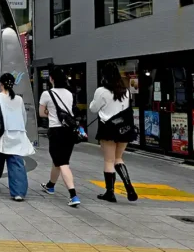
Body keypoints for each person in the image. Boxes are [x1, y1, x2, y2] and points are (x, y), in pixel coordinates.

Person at [0, 73, 35, 201]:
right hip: (17, 133)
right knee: (16, 163)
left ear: (1, 84)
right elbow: (23, 116)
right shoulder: (19, 99)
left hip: (2, 134)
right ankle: (18, 192)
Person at [91, 62, 138, 203]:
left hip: (108, 128)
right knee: (119, 158)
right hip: (124, 128)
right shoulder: (126, 91)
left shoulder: (102, 91)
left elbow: (93, 108)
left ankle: (110, 192)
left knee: (109, 160)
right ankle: (129, 186)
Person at [38, 67, 81, 207]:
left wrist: (49, 112)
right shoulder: (69, 93)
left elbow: (42, 114)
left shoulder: (46, 94)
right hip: (69, 131)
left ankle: (73, 195)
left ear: (52, 79)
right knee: (59, 160)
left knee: (62, 163)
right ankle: (50, 185)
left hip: (56, 131)